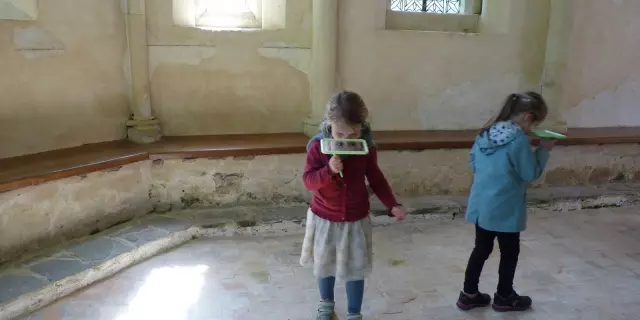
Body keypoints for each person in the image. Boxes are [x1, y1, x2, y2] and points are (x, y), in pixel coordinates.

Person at [301, 91, 406, 320]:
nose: (346, 138)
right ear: (329, 124)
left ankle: (354, 313)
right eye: (340, 133)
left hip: (356, 219)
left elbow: (376, 178)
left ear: (362, 126)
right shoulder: (318, 147)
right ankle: (326, 303)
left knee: (355, 269)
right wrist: (328, 170)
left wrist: (392, 204)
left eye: (354, 133)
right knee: (324, 264)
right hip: (324, 218)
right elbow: (309, 181)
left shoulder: (366, 148)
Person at [456, 92, 556, 312]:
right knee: (510, 252)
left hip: (482, 204)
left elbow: (473, 161)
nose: (533, 128)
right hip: (506, 207)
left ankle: (468, 294)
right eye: (536, 122)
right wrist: (543, 150)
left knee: (481, 248)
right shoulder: (518, 140)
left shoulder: (486, 132)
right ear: (528, 116)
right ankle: (504, 296)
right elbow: (530, 173)